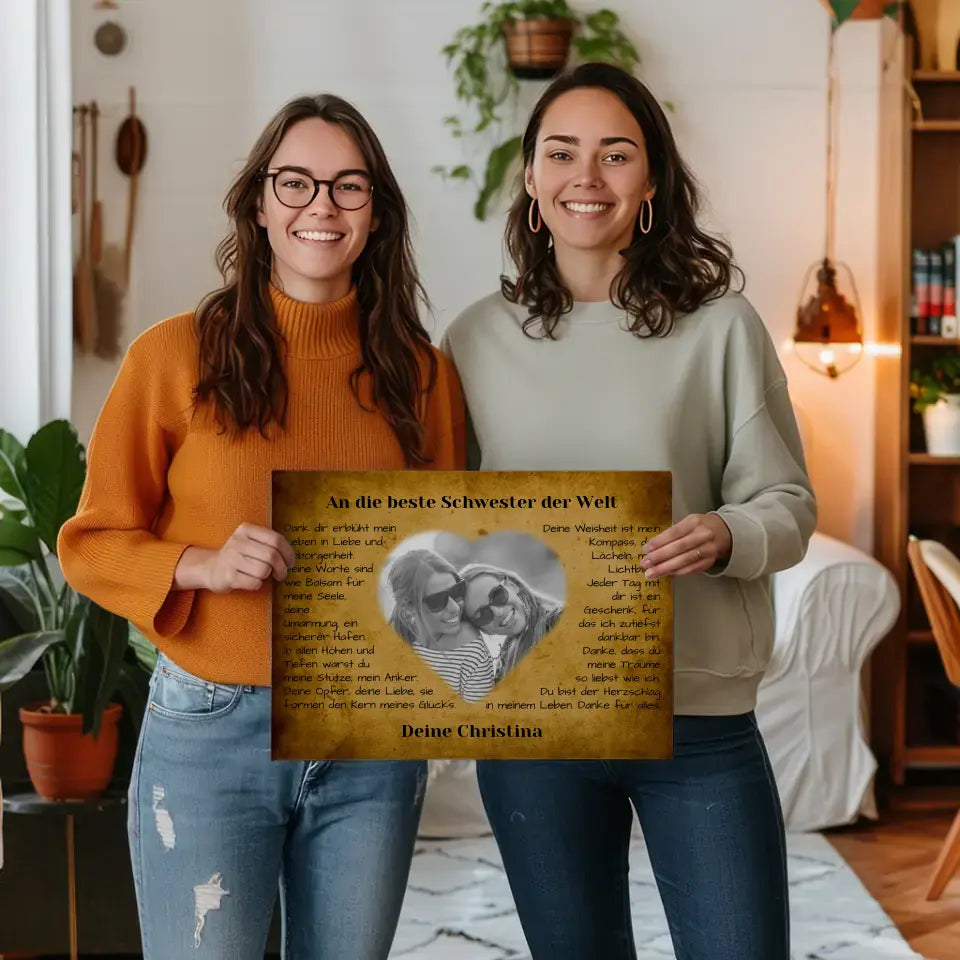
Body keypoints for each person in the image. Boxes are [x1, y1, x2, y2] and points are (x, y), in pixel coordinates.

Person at [58, 94, 465, 960]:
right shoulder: (173, 356)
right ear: (257, 204)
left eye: (349, 187)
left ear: (377, 215)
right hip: (210, 728)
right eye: (296, 183)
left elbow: (450, 560)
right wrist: (199, 564)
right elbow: (90, 542)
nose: (322, 206)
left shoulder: (423, 377)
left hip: (368, 734)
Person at [441, 62, 816, 960]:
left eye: (616, 155)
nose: (587, 177)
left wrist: (728, 533)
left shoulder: (722, 327)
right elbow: (439, 527)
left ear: (651, 183)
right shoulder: (470, 341)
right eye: (562, 154)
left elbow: (790, 505)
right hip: (535, 721)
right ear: (530, 179)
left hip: (698, 722)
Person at [387, 549, 495, 702]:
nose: (455, 608)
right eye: (438, 601)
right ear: (408, 608)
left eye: (457, 591)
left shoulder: (471, 653)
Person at [459, 563, 564, 680]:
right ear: (483, 629)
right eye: (482, 614)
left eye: (497, 595)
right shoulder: (503, 669)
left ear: (512, 586)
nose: (498, 612)